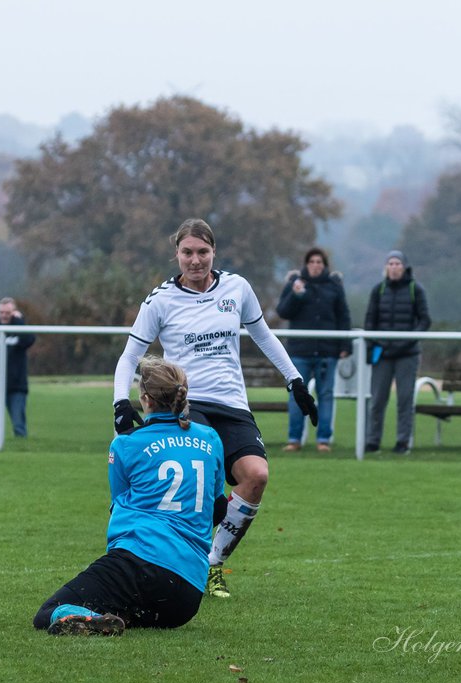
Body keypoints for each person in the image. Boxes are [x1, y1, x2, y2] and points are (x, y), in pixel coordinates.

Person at [112, 218, 317, 599]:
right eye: (187, 252)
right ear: (176, 254)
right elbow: (129, 357)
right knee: (201, 488)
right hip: (186, 404)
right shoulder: (160, 300)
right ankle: (172, 563)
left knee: (256, 476)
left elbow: (263, 335)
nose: (195, 260)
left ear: (214, 252)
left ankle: (212, 563)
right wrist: (120, 403)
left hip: (233, 405)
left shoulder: (237, 288)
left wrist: (295, 381)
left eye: (202, 252)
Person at [34, 356, 226, 635]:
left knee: (48, 613)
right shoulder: (210, 438)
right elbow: (218, 509)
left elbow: (118, 507)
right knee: (129, 607)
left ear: (145, 399)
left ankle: (89, 618)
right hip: (185, 597)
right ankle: (113, 617)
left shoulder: (126, 444)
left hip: (138, 566)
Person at [276, 247, 351, 453]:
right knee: (296, 395)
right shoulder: (295, 284)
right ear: (306, 264)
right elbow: (283, 311)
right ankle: (294, 439)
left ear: (324, 265)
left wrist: (346, 345)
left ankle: (323, 439)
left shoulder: (334, 286)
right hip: (300, 351)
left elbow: (343, 315)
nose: (316, 265)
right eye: (312, 262)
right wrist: (296, 295)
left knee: (326, 394)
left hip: (327, 350)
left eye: (319, 262)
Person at [364, 250, 432, 454]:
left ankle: (403, 442)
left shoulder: (415, 289)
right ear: (386, 267)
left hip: (407, 354)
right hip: (382, 353)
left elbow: (424, 320)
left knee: (405, 400)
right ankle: (372, 441)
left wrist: (408, 341)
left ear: (404, 267)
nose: (394, 267)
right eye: (390, 264)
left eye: (397, 264)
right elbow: (370, 321)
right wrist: (375, 343)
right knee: (377, 400)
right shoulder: (379, 290)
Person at [0, 297, 35, 438]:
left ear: (14, 313)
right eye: (1, 312)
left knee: (19, 426)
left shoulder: (20, 332)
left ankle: (22, 453)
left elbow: (29, 340)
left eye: (7, 313)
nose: (3, 315)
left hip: (16, 387)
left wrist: (19, 322)